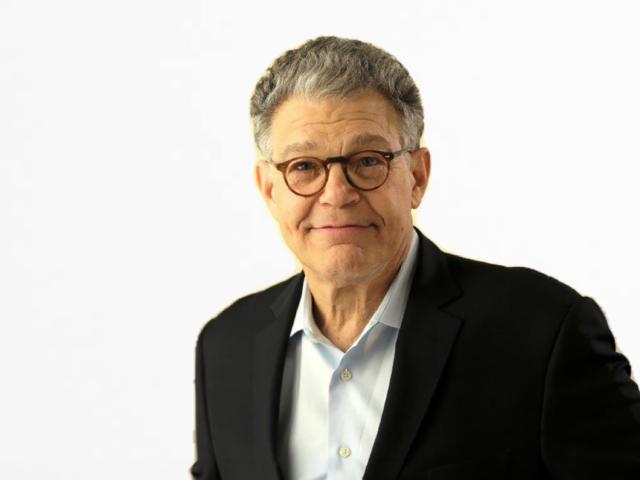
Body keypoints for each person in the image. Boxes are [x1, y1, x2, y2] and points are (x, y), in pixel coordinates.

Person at [190, 36, 640, 480]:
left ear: (417, 176)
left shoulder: (542, 331)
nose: (337, 194)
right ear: (269, 189)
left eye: (367, 161)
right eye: (304, 166)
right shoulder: (226, 346)